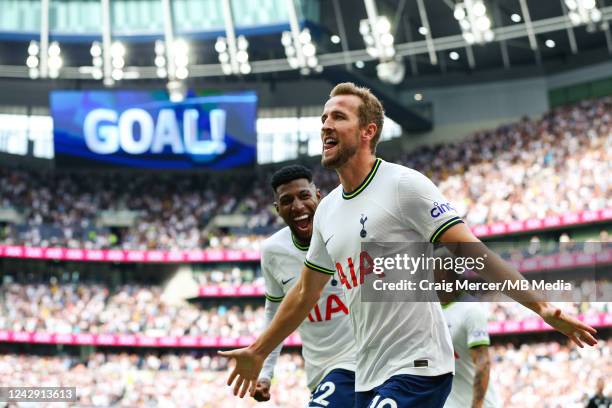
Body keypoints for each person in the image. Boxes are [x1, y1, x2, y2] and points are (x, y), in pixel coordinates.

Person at [220, 82, 597, 407]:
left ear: (368, 131)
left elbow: (472, 252)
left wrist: (542, 307)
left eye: (338, 117)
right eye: (323, 119)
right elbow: (303, 293)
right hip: (366, 372)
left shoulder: (403, 185)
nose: (325, 126)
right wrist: (258, 350)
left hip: (419, 366)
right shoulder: (329, 210)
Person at [253, 165, 356, 407]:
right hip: (319, 373)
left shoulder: (347, 233)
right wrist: (266, 373)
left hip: (359, 363)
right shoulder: (272, 251)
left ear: (318, 196)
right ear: (278, 210)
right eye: (287, 200)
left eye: (304, 196)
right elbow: (275, 314)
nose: (298, 206)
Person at [434, 247, 499, 408]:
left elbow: (483, 362)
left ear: (442, 272)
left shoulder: (470, 310)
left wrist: (476, 406)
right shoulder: (431, 311)